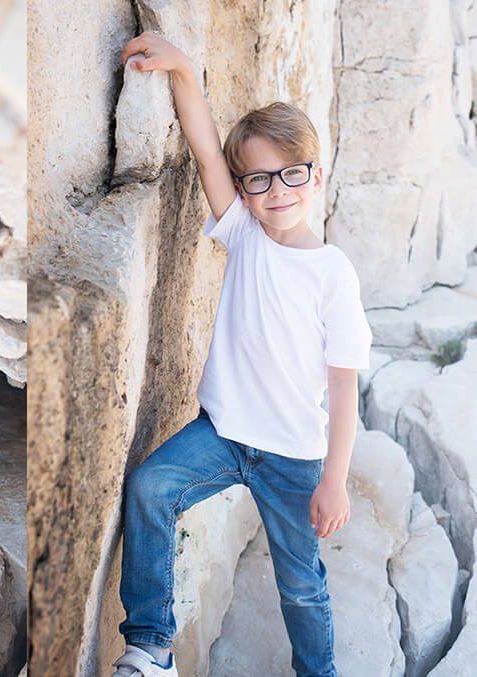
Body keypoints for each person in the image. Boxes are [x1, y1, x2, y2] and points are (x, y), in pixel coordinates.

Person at [112, 33, 371, 677]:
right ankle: (151, 646)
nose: (276, 190)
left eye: (291, 174)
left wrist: (334, 479)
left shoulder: (332, 273)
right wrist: (183, 71)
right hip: (223, 433)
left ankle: (319, 672)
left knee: (301, 584)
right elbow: (205, 153)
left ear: (317, 175)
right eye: (258, 179)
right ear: (245, 189)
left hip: (292, 455)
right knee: (150, 488)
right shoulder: (246, 234)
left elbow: (343, 387)